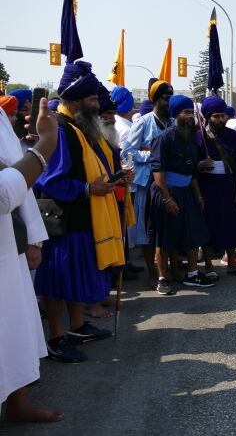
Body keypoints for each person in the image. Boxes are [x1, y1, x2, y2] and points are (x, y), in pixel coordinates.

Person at [34, 61, 124, 362]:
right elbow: (51, 180)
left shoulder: (78, 127)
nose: (97, 105)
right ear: (73, 101)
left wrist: (112, 180)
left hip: (84, 217)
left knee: (74, 278)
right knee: (58, 282)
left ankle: (77, 327)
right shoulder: (60, 130)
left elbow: (90, 172)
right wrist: (88, 190)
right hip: (64, 221)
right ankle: (56, 339)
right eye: (92, 100)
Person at [0, 99, 65, 422]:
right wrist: (46, 144)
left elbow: (15, 173)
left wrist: (33, 237)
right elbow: (4, 191)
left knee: (14, 326)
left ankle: (17, 402)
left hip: (10, 244)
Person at [148, 95, 214, 294]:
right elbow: (158, 172)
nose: (190, 116)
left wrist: (199, 195)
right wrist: (167, 199)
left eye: (191, 113)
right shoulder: (163, 138)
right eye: (185, 113)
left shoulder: (192, 139)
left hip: (187, 191)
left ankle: (193, 274)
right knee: (164, 237)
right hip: (167, 191)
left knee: (194, 234)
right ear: (175, 115)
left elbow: (191, 171)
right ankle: (162, 278)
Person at [122, 78, 174, 287]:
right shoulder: (143, 122)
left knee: (167, 228)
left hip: (169, 181)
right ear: (154, 99)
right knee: (147, 230)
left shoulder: (172, 122)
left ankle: (167, 269)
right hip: (146, 184)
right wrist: (151, 155)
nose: (168, 102)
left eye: (171, 98)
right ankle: (152, 272)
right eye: (164, 98)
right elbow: (127, 153)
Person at [197, 96, 236, 278]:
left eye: (223, 116)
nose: (221, 120)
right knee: (208, 224)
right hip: (208, 185)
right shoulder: (200, 135)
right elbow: (193, 163)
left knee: (231, 224)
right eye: (216, 116)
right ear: (208, 117)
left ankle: (232, 263)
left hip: (229, 185)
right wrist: (201, 164)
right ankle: (209, 265)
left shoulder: (233, 137)